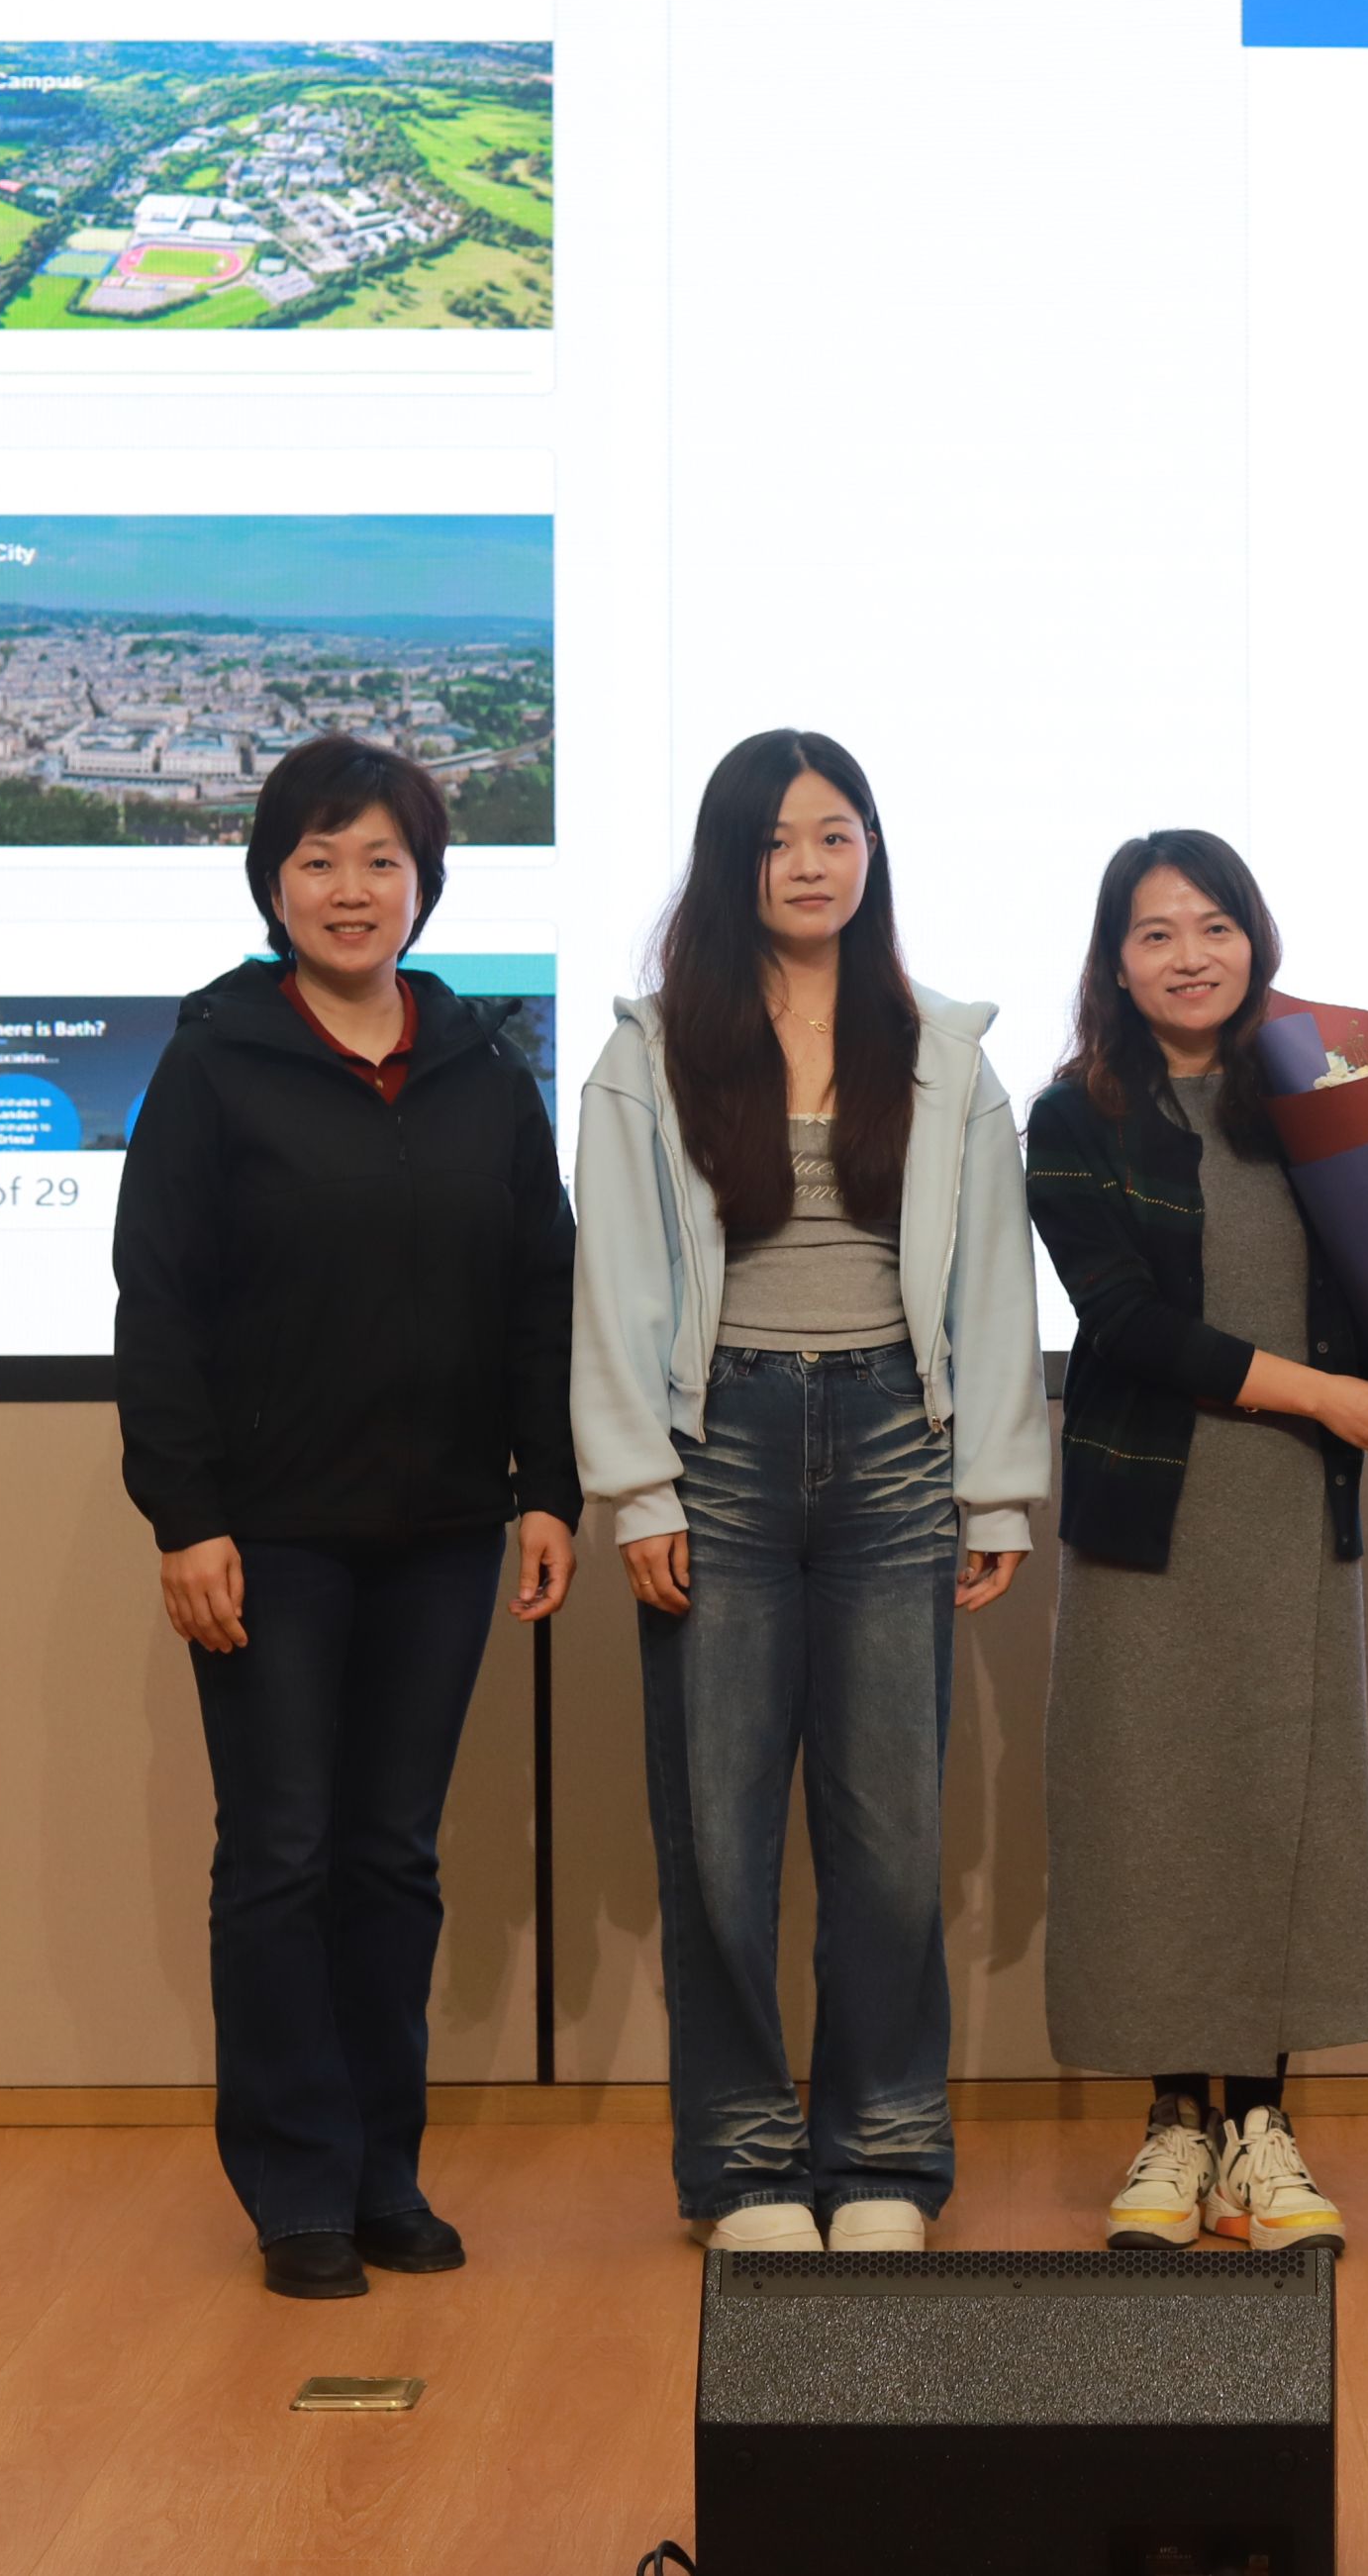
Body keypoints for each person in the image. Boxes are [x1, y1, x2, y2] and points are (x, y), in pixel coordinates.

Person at [112, 734, 582, 2302]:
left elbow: (540, 1293)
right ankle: (297, 2185)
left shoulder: (482, 1064)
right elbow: (157, 1302)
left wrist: (547, 1485)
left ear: (424, 883)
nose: (352, 888)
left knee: (392, 1857)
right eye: (319, 860)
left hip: (443, 1530)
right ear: (273, 884)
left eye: (383, 859)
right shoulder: (215, 1059)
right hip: (269, 1537)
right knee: (281, 1855)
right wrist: (185, 1513)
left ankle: (386, 2170)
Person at [569, 729, 1049, 2255]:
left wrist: (995, 1492)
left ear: (872, 851)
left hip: (898, 1444)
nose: (810, 863)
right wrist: (640, 1488)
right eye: (777, 839)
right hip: (720, 1448)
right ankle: (742, 2164)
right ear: (732, 861)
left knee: (890, 1831)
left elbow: (990, 1286)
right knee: (718, 1831)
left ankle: (886, 2152)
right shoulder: (651, 1050)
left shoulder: (946, 1048)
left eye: (837, 833)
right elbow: (617, 1280)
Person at [1025, 831, 1368, 2254]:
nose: (1191, 956)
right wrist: (1329, 1398)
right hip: (1152, 1503)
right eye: (1156, 933)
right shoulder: (1073, 1115)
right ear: (1114, 962)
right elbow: (1129, 1323)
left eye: (1215, 925)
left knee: (1277, 1803)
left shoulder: (1326, 1102)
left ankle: (1260, 2123)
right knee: (1149, 1812)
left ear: (1256, 938)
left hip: (1294, 1503)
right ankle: (1174, 2123)